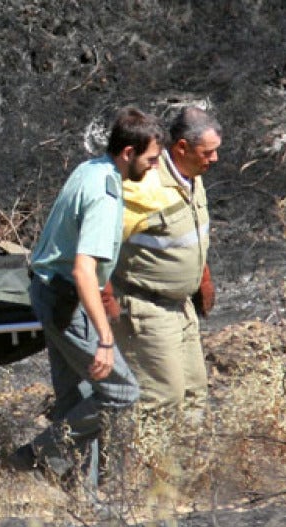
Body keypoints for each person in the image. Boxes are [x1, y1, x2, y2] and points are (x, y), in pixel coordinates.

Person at [7, 107, 166, 482]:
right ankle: (35, 453)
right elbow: (83, 271)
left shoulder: (90, 168)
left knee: (76, 399)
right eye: (152, 160)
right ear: (128, 153)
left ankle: (83, 493)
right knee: (121, 391)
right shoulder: (105, 195)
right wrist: (106, 340)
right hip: (64, 300)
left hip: (48, 290)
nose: (155, 168)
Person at [110, 107, 221, 418]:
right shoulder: (144, 183)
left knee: (194, 396)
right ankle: (146, 466)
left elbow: (191, 235)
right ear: (182, 148)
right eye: (207, 153)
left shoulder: (193, 177)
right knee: (161, 401)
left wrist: (203, 277)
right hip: (146, 308)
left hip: (182, 306)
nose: (214, 159)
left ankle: (186, 466)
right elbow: (99, 247)